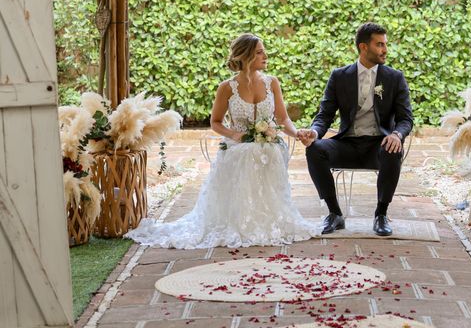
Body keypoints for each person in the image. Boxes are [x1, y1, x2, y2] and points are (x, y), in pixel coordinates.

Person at [126, 34, 319, 248]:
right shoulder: (227, 88)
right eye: (259, 52)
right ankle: (238, 221)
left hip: (268, 146)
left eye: (263, 50)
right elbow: (215, 122)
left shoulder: (272, 83)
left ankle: (265, 220)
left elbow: (283, 119)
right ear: (245, 56)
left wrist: (297, 133)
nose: (265, 55)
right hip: (237, 146)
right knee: (244, 154)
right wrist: (234, 135)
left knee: (268, 152)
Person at [298, 22, 413, 236]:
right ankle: (335, 214)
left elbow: (406, 119)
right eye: (379, 45)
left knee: (392, 148)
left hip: (378, 146)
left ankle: (381, 214)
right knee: (314, 149)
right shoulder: (339, 76)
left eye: (385, 44)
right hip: (347, 145)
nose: (385, 50)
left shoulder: (394, 78)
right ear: (363, 47)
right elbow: (325, 115)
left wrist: (397, 135)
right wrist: (313, 133)